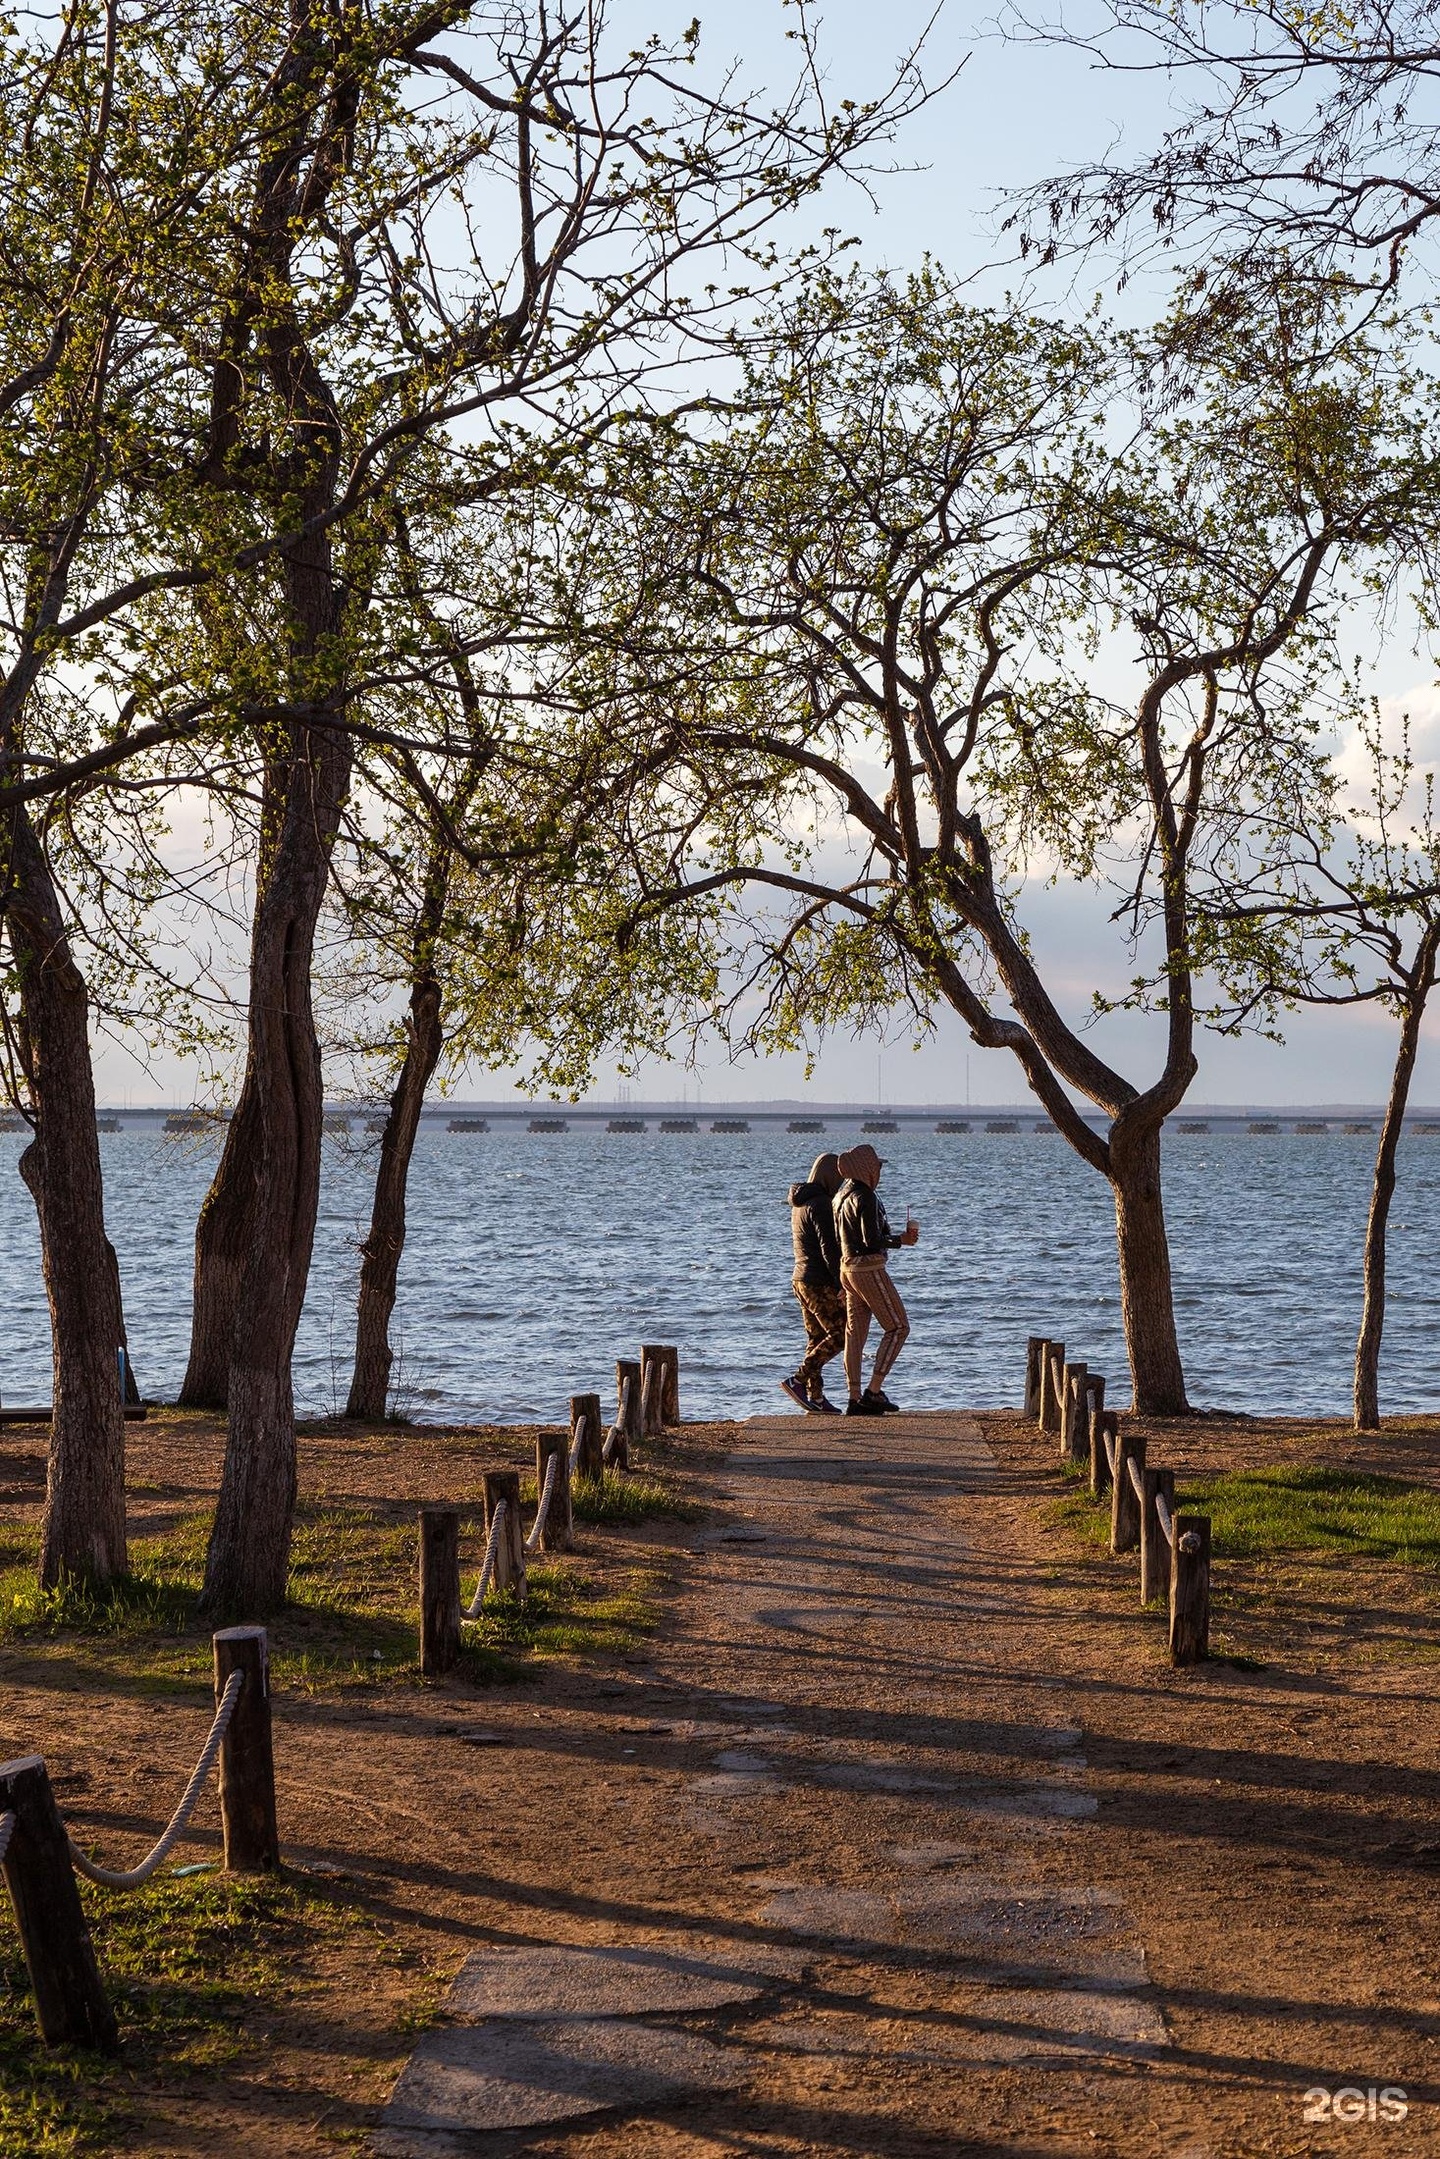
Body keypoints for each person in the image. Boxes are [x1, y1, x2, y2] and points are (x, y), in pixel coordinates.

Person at [834, 1142, 919, 1416]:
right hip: (868, 1268)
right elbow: (871, 1240)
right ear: (866, 1168)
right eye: (877, 1166)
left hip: (847, 1269)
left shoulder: (840, 1196)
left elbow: (840, 1239)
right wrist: (900, 1240)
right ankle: (873, 1391)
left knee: (854, 1335)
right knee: (898, 1327)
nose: (879, 1171)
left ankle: (854, 1397)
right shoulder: (866, 1197)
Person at [780, 1152, 845, 1414]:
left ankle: (816, 1397)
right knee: (840, 1335)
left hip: (800, 1278)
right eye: (839, 1178)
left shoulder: (800, 1203)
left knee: (817, 1336)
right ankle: (798, 1380)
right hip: (818, 1280)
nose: (841, 1184)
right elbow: (828, 1249)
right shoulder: (820, 1204)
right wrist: (840, 1282)